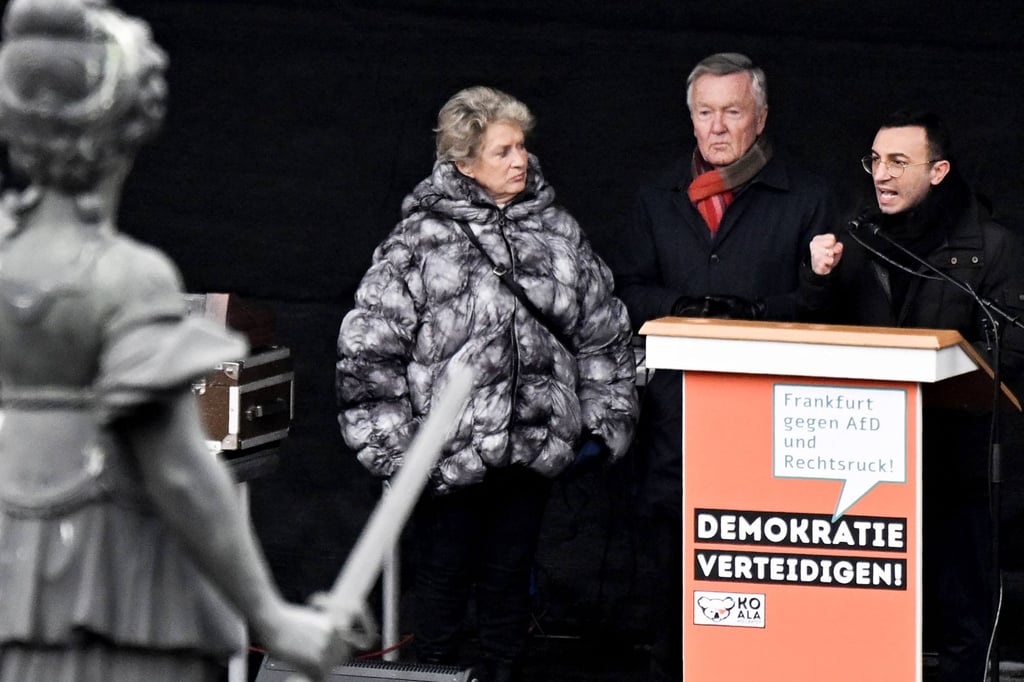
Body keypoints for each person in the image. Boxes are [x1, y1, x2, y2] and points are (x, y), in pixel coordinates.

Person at [0, 1, 357, 680]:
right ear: (129, 130)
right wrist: (273, 618)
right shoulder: (127, 278)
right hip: (109, 581)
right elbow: (179, 470)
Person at [336, 85, 639, 682]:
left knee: (509, 592)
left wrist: (600, 428)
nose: (519, 160)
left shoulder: (557, 232)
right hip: (446, 462)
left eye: (521, 147)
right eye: (502, 151)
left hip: (528, 455)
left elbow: (604, 335)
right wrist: (402, 454)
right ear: (463, 162)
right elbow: (367, 352)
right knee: (442, 593)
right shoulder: (419, 240)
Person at [608, 52, 837, 681]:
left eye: (731, 112)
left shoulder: (807, 197)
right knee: (667, 542)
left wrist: (752, 313)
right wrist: (685, 308)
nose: (717, 127)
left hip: (769, 416)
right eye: (704, 112)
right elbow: (625, 288)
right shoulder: (658, 195)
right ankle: (668, 659)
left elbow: (825, 307)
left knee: (758, 545)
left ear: (759, 118)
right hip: (674, 413)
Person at [807, 109, 1024, 682]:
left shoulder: (992, 250)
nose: (881, 173)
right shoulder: (853, 240)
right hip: (861, 468)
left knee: (961, 617)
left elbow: (1014, 352)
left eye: (899, 162)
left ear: (939, 171)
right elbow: (811, 335)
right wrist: (817, 281)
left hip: (957, 467)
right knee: (863, 615)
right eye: (875, 160)